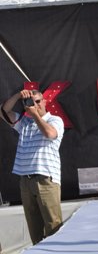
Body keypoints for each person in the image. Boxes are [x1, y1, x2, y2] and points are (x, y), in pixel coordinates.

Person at [0, 88, 64, 245]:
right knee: (34, 230)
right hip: (26, 180)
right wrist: (18, 95)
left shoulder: (55, 120)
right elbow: (3, 112)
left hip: (46, 180)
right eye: (31, 102)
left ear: (45, 102)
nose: (35, 105)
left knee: (53, 227)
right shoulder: (24, 123)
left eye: (38, 101)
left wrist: (35, 114)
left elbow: (50, 134)